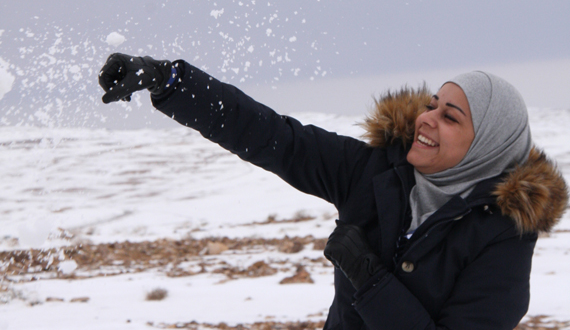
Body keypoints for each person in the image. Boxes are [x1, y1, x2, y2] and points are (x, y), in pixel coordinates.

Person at [98, 53, 568, 330]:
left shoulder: (503, 238)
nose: (427, 119)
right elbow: (272, 137)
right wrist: (169, 81)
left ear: (487, 144)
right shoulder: (374, 172)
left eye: (450, 117)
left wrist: (370, 279)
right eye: (432, 104)